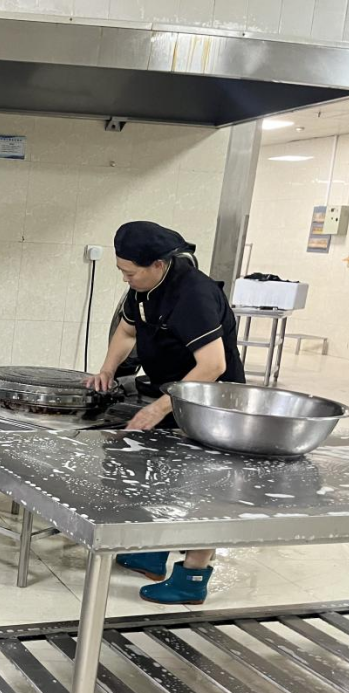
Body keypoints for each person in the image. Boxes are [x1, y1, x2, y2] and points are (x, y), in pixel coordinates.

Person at [87, 221, 245, 605]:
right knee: (163, 475)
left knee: (204, 488)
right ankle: (154, 554)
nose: (126, 279)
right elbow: (127, 332)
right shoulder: (143, 289)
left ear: (158, 264)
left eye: (130, 272)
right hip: (175, 394)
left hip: (213, 402)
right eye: (122, 271)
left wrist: (158, 408)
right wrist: (107, 369)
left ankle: (192, 578)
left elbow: (213, 365)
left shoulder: (193, 294)